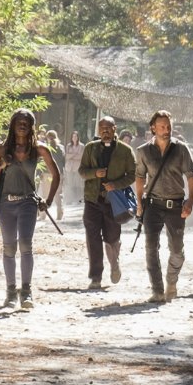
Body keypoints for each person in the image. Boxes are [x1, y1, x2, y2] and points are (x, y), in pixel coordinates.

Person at [0, 108, 60, 309]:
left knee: (26, 244)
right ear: (12, 125)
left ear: (31, 127)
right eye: (18, 121)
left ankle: (26, 292)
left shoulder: (39, 149)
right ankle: (11, 292)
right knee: (9, 246)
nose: (22, 125)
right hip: (5, 204)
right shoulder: (1, 149)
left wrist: (49, 200)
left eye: (26, 122)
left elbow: (56, 175)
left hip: (28, 203)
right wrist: (2, 165)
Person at [133, 110, 193, 303]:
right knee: (151, 247)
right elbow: (139, 178)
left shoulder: (181, 149)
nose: (166, 130)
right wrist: (139, 203)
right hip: (152, 204)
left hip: (176, 205)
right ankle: (157, 290)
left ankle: (172, 280)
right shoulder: (143, 151)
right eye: (162, 126)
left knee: (177, 250)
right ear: (153, 127)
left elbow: (191, 176)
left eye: (168, 126)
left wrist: (190, 201)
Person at [77, 116, 135, 290]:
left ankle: (114, 264)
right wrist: (95, 174)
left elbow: (132, 175)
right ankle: (96, 277)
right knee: (93, 238)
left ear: (115, 129)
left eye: (109, 128)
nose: (105, 132)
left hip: (114, 203)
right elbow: (82, 171)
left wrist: (115, 185)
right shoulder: (90, 148)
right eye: (102, 128)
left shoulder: (125, 151)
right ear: (98, 131)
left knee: (112, 238)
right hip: (92, 200)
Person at [62, 129, 86, 213]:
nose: (74, 138)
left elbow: (81, 157)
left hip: (77, 167)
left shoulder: (82, 146)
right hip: (69, 167)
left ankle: (78, 199)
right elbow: (66, 156)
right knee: (69, 183)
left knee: (78, 183)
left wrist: (72, 156)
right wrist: (74, 155)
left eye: (76, 136)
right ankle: (69, 199)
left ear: (78, 137)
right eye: (73, 136)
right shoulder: (68, 146)